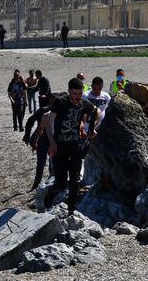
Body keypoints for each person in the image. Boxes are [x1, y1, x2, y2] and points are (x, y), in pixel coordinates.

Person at [46, 78, 99, 214]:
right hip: (59, 147)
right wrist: (52, 143)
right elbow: (49, 123)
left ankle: (71, 210)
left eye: (80, 94)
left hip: (75, 146)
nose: (77, 97)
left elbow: (96, 112)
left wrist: (92, 128)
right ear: (69, 92)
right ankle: (50, 195)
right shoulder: (60, 102)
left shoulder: (83, 103)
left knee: (75, 179)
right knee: (61, 183)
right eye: (75, 94)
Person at [23, 94, 56, 190]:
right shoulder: (44, 111)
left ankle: (50, 183)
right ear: (49, 101)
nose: (53, 104)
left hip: (51, 140)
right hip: (42, 139)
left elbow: (30, 121)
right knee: (42, 163)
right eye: (52, 102)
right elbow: (30, 121)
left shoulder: (60, 111)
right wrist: (27, 136)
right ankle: (36, 185)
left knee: (51, 163)